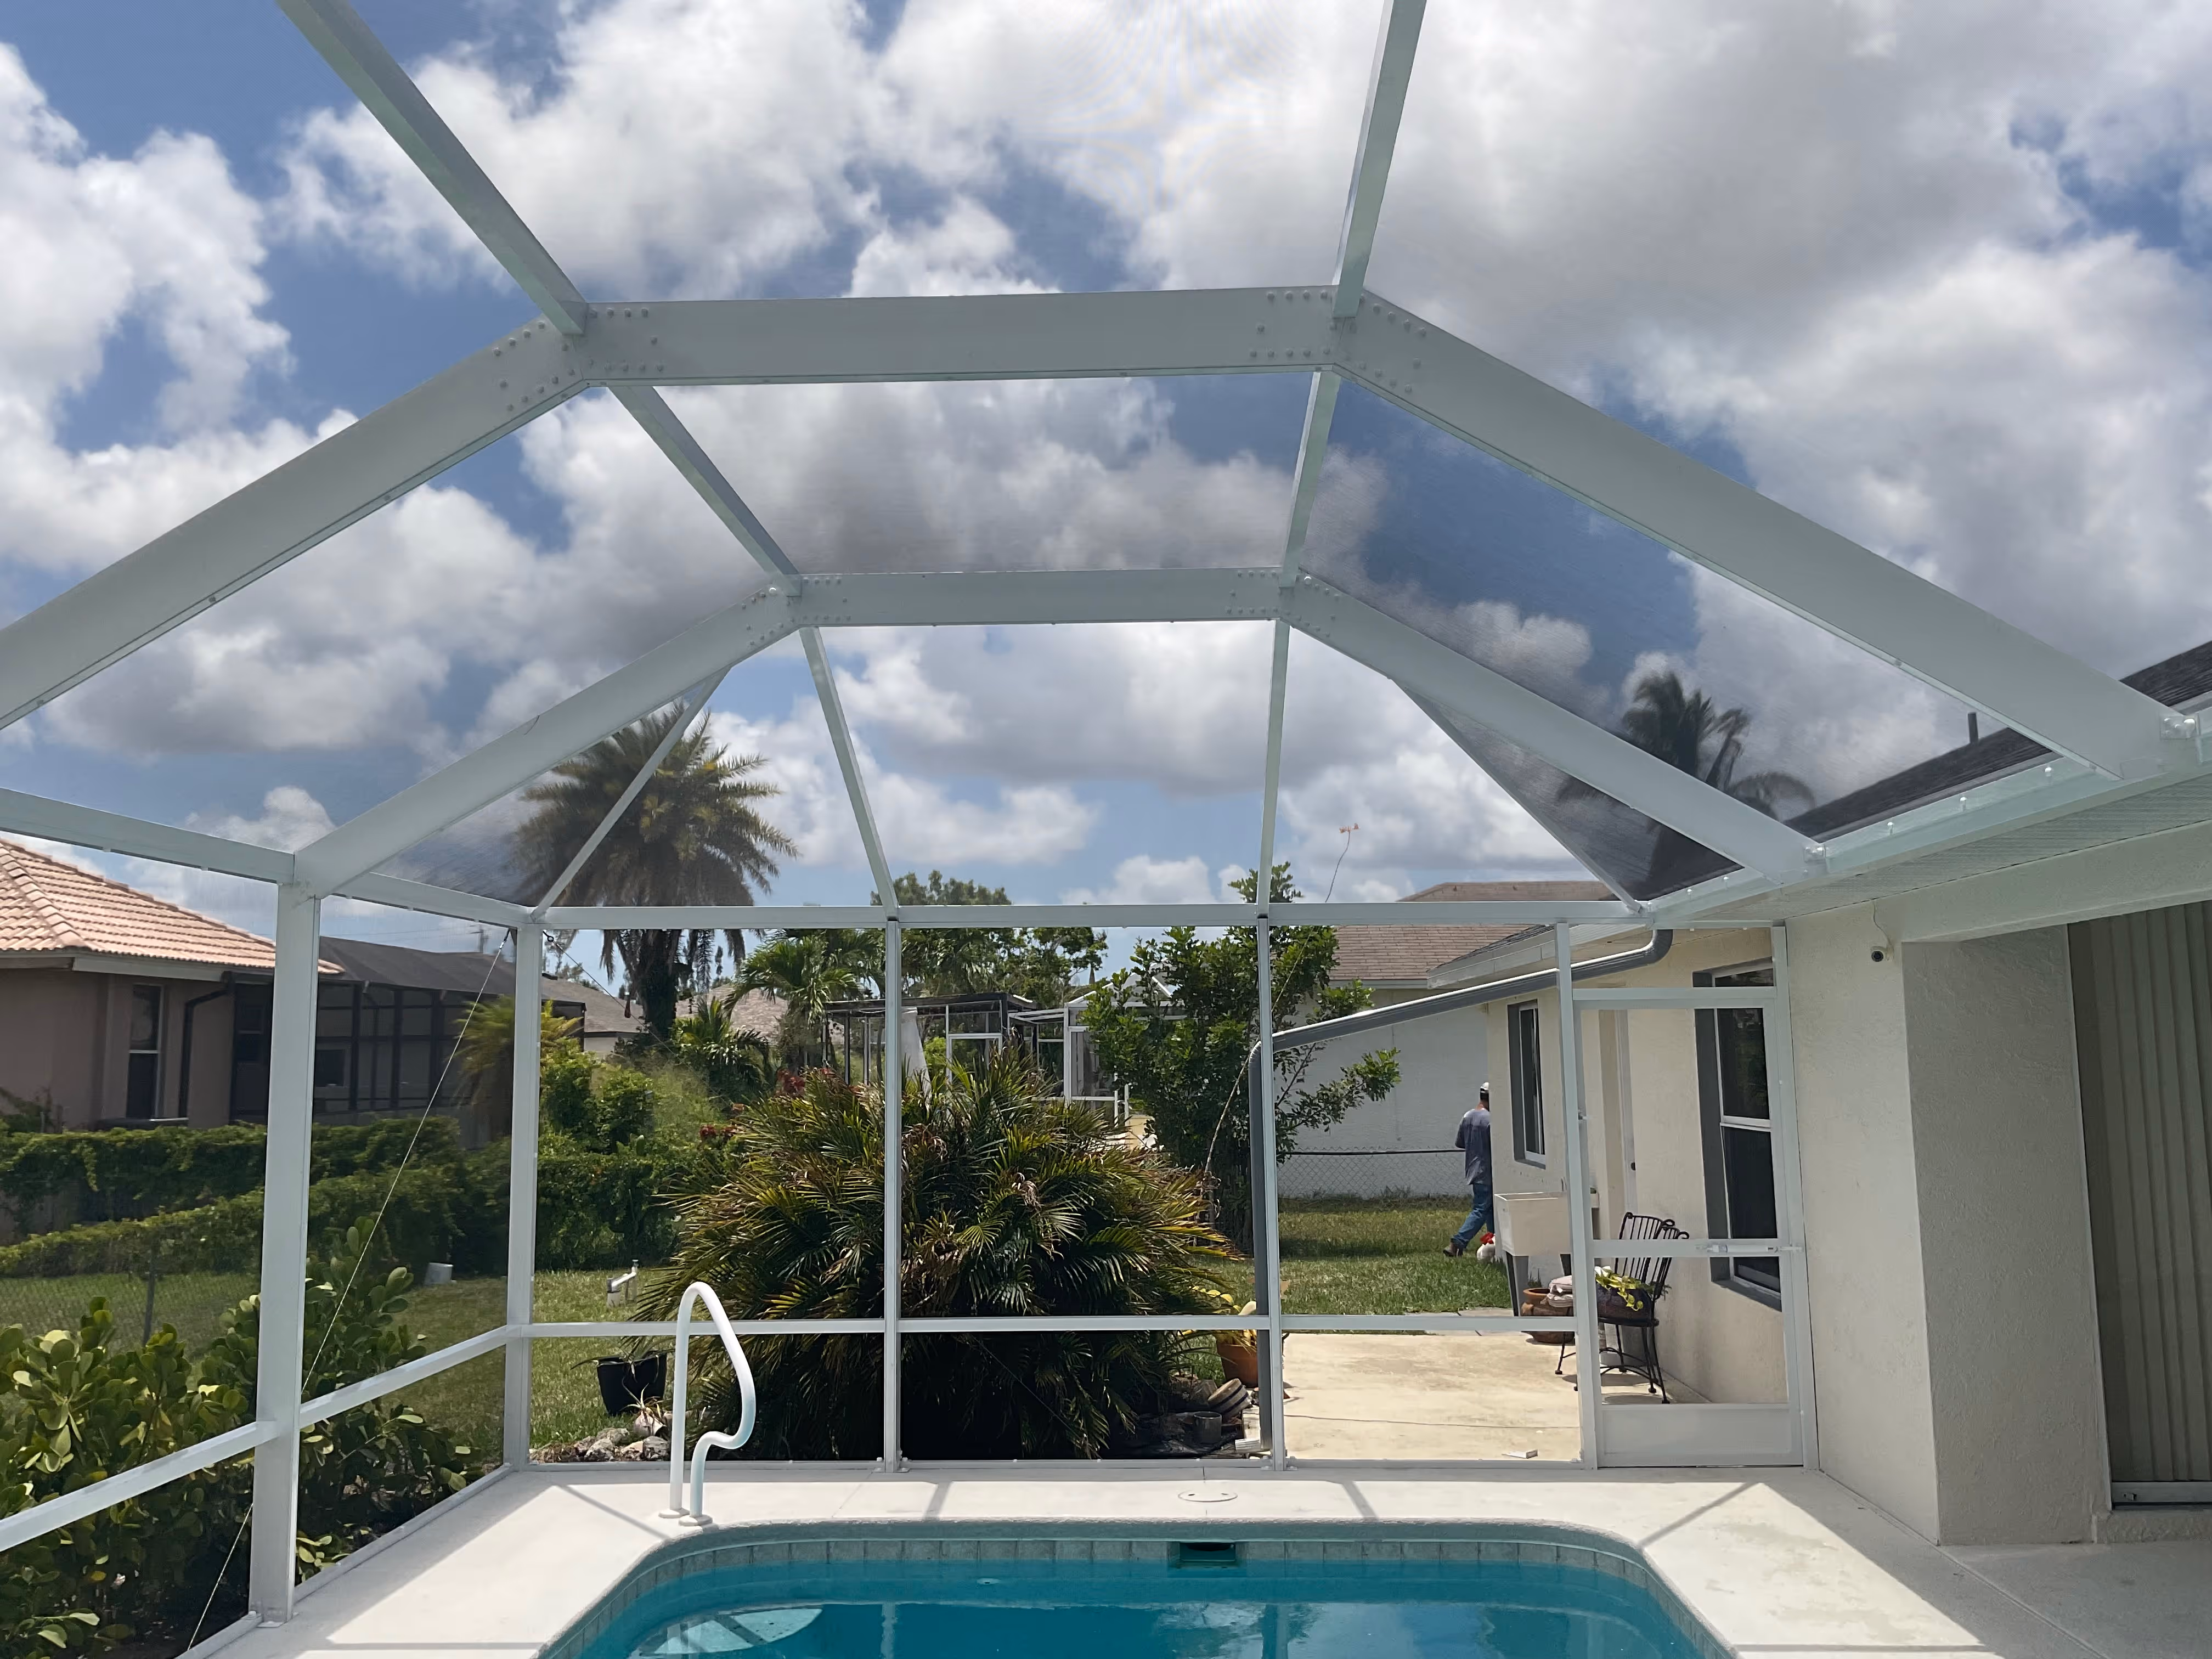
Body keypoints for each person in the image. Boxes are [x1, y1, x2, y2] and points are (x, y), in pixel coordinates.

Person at [1443, 1084, 1493, 1258]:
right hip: (1488, 1172)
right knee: (1481, 1210)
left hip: (1473, 1171)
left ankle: (1492, 1244)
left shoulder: (1468, 1116)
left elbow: (1460, 1143)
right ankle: (1457, 1243)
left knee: (1490, 1211)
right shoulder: (1490, 1120)